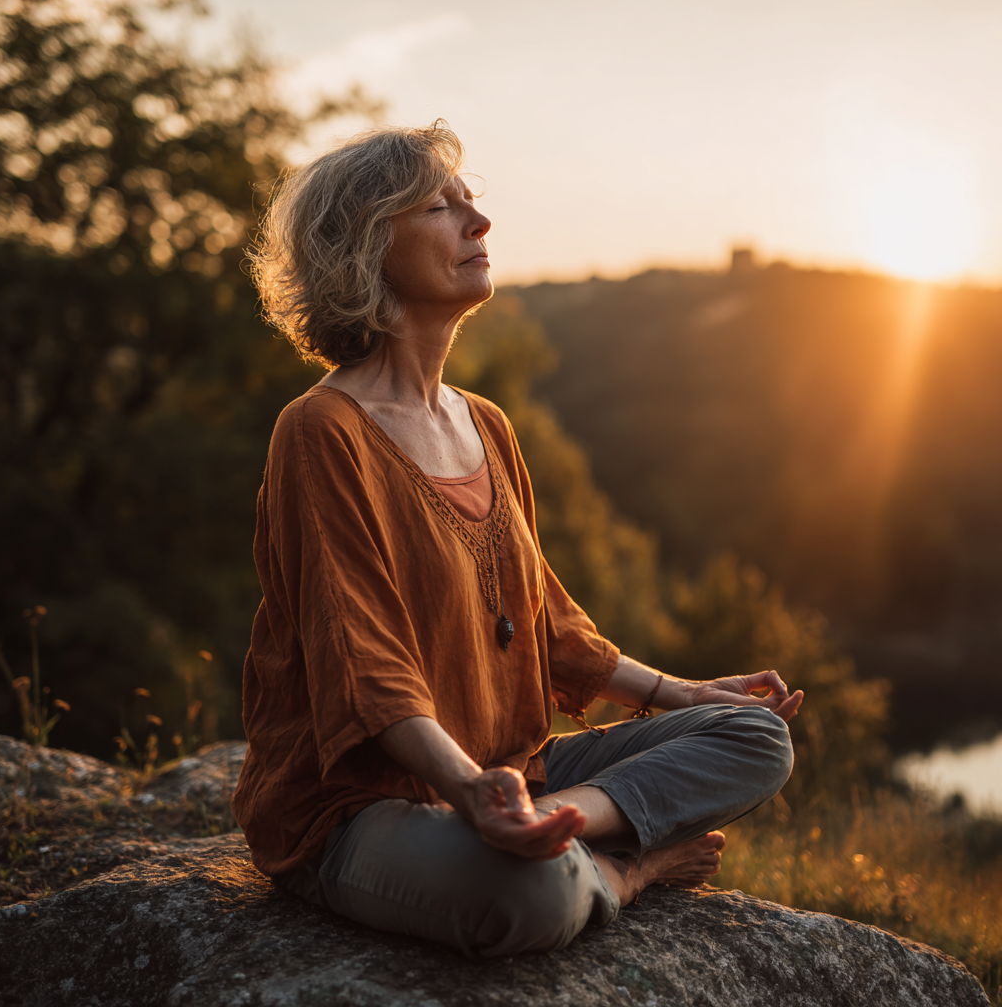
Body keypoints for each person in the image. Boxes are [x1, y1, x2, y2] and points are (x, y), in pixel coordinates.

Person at [232, 121, 803, 958]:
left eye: (473, 203)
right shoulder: (322, 431)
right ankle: (623, 872)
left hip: (512, 775)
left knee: (755, 736)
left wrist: (681, 694)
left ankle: (555, 828)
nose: (480, 223)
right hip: (358, 808)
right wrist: (466, 791)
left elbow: (549, 626)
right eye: (441, 206)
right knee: (534, 891)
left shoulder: (485, 424)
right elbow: (366, 665)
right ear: (364, 247)